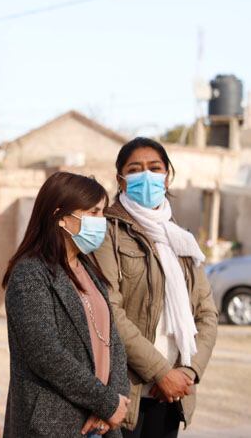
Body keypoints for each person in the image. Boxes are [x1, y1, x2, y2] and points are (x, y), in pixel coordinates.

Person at [92, 137, 218, 437]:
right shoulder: (108, 232)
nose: (146, 176)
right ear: (121, 180)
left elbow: (207, 314)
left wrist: (188, 372)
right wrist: (161, 373)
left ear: (167, 175)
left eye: (154, 167)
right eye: (135, 169)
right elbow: (110, 310)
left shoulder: (181, 239)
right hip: (129, 394)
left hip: (173, 395)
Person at [2, 171, 130, 438]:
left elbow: (113, 342)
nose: (101, 221)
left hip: (100, 424)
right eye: (93, 212)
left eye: (102, 212)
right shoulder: (31, 274)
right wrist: (105, 403)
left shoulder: (88, 270)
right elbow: (46, 354)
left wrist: (114, 401)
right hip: (54, 424)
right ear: (61, 217)